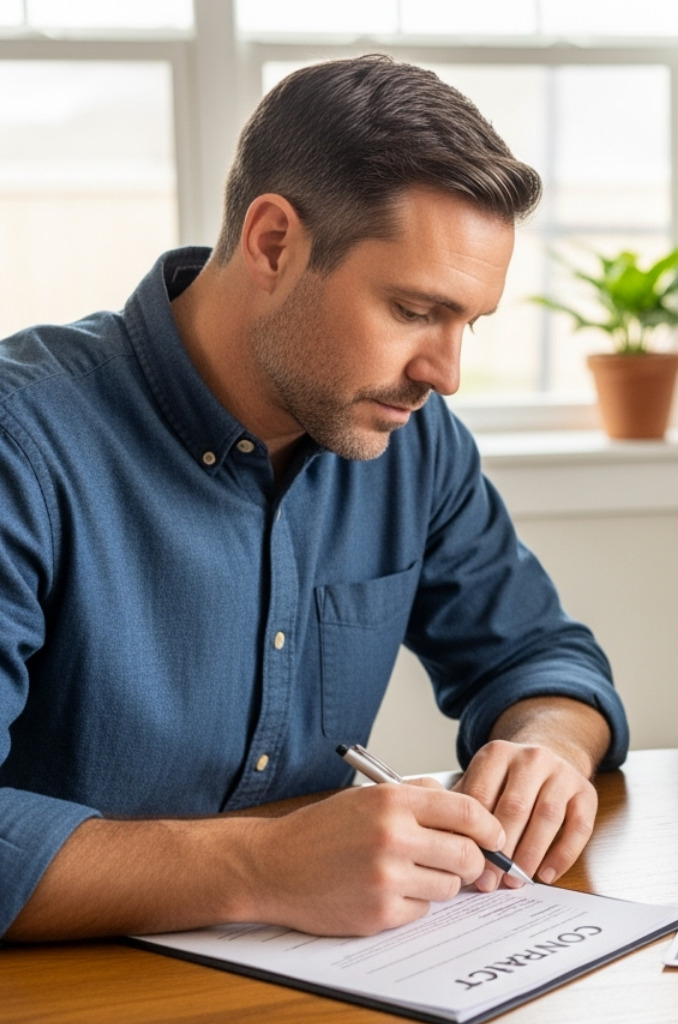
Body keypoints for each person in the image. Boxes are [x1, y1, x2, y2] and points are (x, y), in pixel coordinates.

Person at [0, 55, 628, 942]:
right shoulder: (23, 443)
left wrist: (547, 746)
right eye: (414, 310)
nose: (445, 374)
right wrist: (263, 866)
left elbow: (540, 657)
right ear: (272, 244)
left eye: (468, 324)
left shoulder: (413, 443)